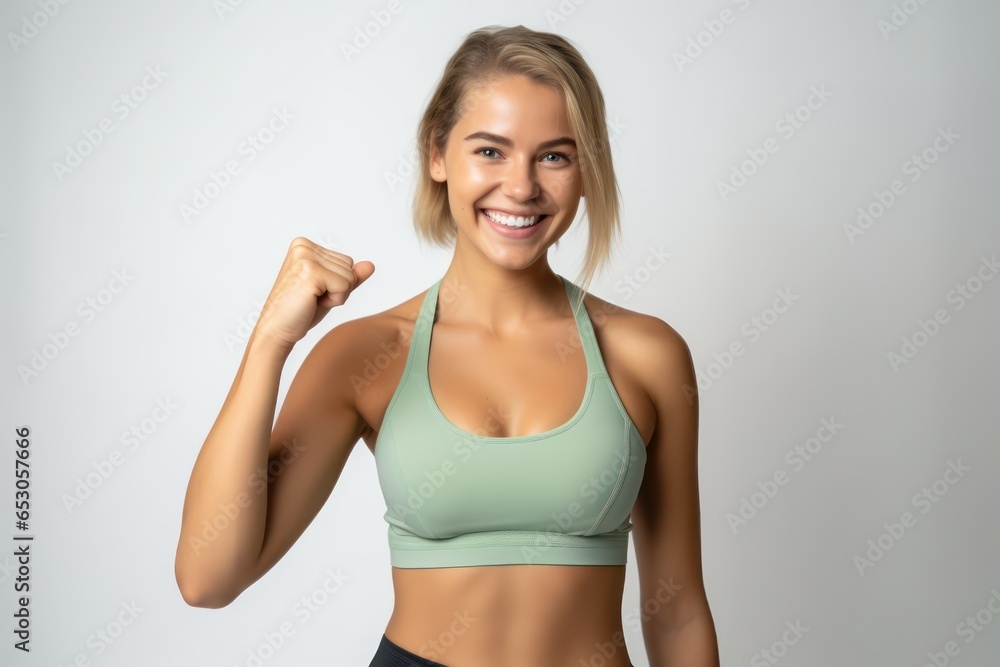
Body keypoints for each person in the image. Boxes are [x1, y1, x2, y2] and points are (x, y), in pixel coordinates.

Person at [175, 24, 719, 666]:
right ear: (438, 153)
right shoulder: (367, 357)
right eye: (490, 151)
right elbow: (208, 579)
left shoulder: (645, 354)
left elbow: (677, 607)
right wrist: (269, 340)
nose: (521, 188)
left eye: (555, 155)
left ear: (587, 167)